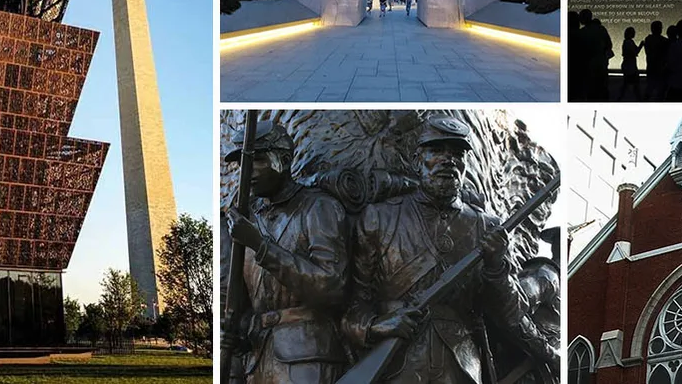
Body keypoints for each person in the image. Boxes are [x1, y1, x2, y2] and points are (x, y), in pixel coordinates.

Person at [344, 116, 553, 384]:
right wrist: (376, 326)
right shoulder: (379, 218)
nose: (448, 160)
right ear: (417, 159)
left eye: (457, 154)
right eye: (437, 151)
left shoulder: (485, 226)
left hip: (462, 368)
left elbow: (511, 314)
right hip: (396, 366)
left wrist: (496, 267)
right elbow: (353, 306)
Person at [222, 122, 348, 384]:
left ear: (285, 160)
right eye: (242, 164)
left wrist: (260, 245)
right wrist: (238, 332)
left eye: (257, 160)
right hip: (258, 360)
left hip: (308, 357)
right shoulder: (247, 222)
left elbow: (331, 287)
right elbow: (242, 303)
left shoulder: (318, 207)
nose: (247, 172)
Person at [576, 10, 612, 101]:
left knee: (591, 91)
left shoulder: (582, 32)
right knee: (602, 88)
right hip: (601, 63)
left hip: (588, 65)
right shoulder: (601, 29)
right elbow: (609, 44)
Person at [642, 21, 669, 101]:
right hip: (660, 68)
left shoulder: (648, 39)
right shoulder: (663, 41)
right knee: (660, 91)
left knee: (650, 88)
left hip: (651, 67)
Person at [617, 27, 643, 101]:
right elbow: (635, 52)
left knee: (627, 85)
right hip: (630, 67)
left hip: (627, 66)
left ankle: (619, 99)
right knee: (635, 85)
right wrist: (641, 46)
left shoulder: (627, 42)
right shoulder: (629, 42)